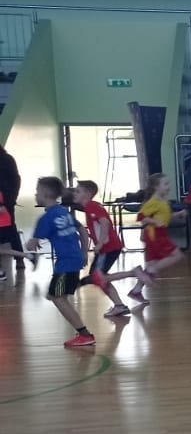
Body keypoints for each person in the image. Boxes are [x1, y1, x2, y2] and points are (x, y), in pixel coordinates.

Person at [27, 176, 96, 348]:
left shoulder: (46, 219)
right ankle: (82, 332)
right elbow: (82, 230)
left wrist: (30, 244)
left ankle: (84, 334)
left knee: (56, 297)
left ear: (44, 194)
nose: (35, 195)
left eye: (37, 192)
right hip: (73, 260)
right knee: (57, 296)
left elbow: (33, 243)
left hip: (65, 264)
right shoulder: (63, 212)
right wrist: (84, 253)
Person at [106, 173, 185, 302]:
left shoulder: (162, 201)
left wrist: (178, 214)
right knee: (177, 255)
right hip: (156, 235)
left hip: (158, 234)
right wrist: (154, 222)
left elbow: (164, 217)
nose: (168, 187)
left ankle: (136, 291)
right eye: (165, 184)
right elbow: (141, 217)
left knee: (151, 269)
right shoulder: (153, 201)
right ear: (155, 187)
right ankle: (150, 271)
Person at [77, 180, 131, 319]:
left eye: (78, 191)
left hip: (108, 247)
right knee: (99, 278)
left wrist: (100, 243)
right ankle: (119, 306)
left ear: (88, 194)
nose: (74, 194)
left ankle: (133, 273)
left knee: (97, 277)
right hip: (108, 248)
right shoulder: (91, 207)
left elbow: (105, 223)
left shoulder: (91, 206)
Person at [0, 141, 22, 281]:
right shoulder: (8, 159)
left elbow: (14, 180)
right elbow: (17, 180)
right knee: (11, 230)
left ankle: (21, 257)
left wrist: (5, 201)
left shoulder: (6, 160)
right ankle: (21, 258)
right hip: (7, 199)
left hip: (4, 200)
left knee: (10, 231)